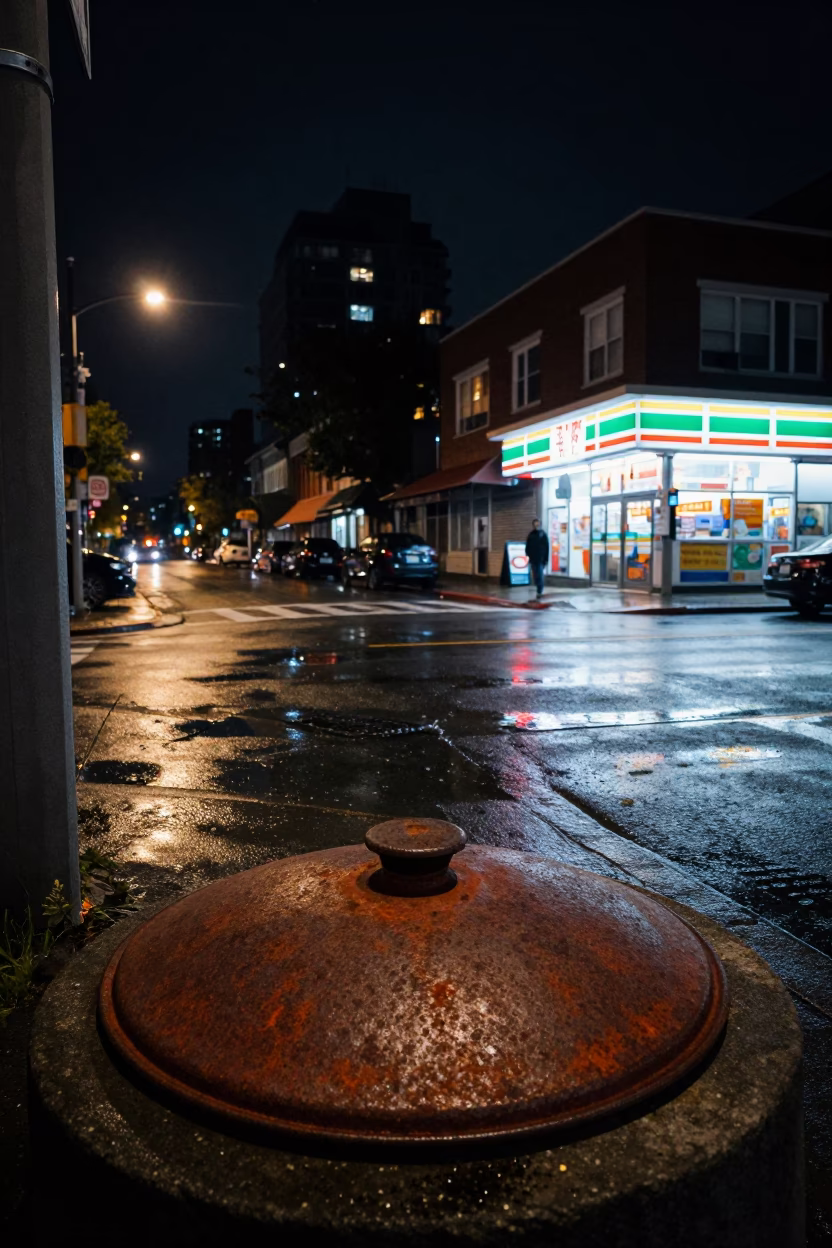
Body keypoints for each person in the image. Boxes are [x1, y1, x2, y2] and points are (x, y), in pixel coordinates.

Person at [525, 518, 549, 598]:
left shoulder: (543, 535)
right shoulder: (531, 535)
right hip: (533, 559)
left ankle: (540, 590)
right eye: (535, 524)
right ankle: (538, 587)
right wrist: (528, 555)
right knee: (535, 575)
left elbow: (547, 548)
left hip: (540, 559)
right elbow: (527, 546)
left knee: (540, 574)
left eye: (538, 524)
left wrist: (546, 559)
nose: (536, 525)